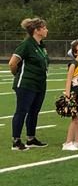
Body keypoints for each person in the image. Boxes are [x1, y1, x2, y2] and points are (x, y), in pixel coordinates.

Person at [8, 17, 50, 151]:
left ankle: (31, 139)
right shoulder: (26, 44)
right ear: (37, 31)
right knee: (22, 111)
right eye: (44, 28)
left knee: (34, 111)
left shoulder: (41, 45)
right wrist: (19, 75)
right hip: (26, 84)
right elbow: (12, 63)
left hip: (39, 84)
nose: (46, 30)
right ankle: (16, 141)